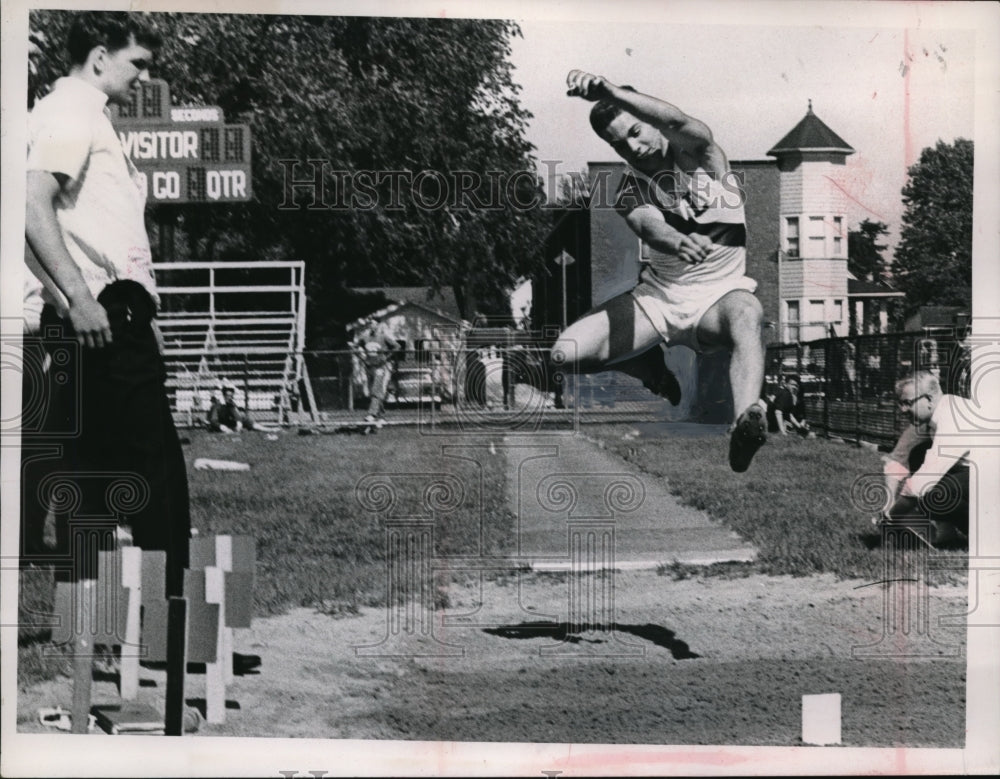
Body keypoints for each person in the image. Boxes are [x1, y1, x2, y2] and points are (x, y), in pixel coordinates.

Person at [24, 12, 190, 596]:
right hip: (101, 314)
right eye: (137, 63)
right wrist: (79, 297)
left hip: (103, 315)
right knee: (155, 472)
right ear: (99, 56)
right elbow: (30, 204)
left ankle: (85, 631)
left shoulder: (58, 112)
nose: (144, 78)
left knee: (89, 479)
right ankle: (177, 633)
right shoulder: (74, 112)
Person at [554, 70, 767, 471]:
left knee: (747, 312)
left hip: (719, 298)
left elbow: (677, 122)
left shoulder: (704, 157)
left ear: (649, 119)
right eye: (620, 145)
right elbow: (645, 224)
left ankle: (744, 423)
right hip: (660, 299)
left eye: (636, 131)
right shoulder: (627, 188)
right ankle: (649, 368)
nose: (634, 147)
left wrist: (612, 91)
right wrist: (673, 239)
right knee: (565, 354)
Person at [877, 371, 970, 546]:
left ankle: (985, 536)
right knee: (918, 453)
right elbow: (898, 457)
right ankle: (947, 534)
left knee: (932, 496)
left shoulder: (954, 418)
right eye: (900, 403)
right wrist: (888, 503)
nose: (902, 409)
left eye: (907, 403)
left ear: (929, 398)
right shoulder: (929, 416)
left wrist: (893, 517)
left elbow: (925, 480)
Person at [354, 319, 400, 422]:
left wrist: (387, 357)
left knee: (376, 390)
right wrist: (362, 357)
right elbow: (355, 347)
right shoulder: (365, 337)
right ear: (369, 326)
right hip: (369, 366)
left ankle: (372, 414)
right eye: (370, 324)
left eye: (374, 324)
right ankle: (381, 415)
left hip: (380, 367)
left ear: (378, 326)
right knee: (374, 392)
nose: (372, 326)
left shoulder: (383, 337)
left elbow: (397, 346)